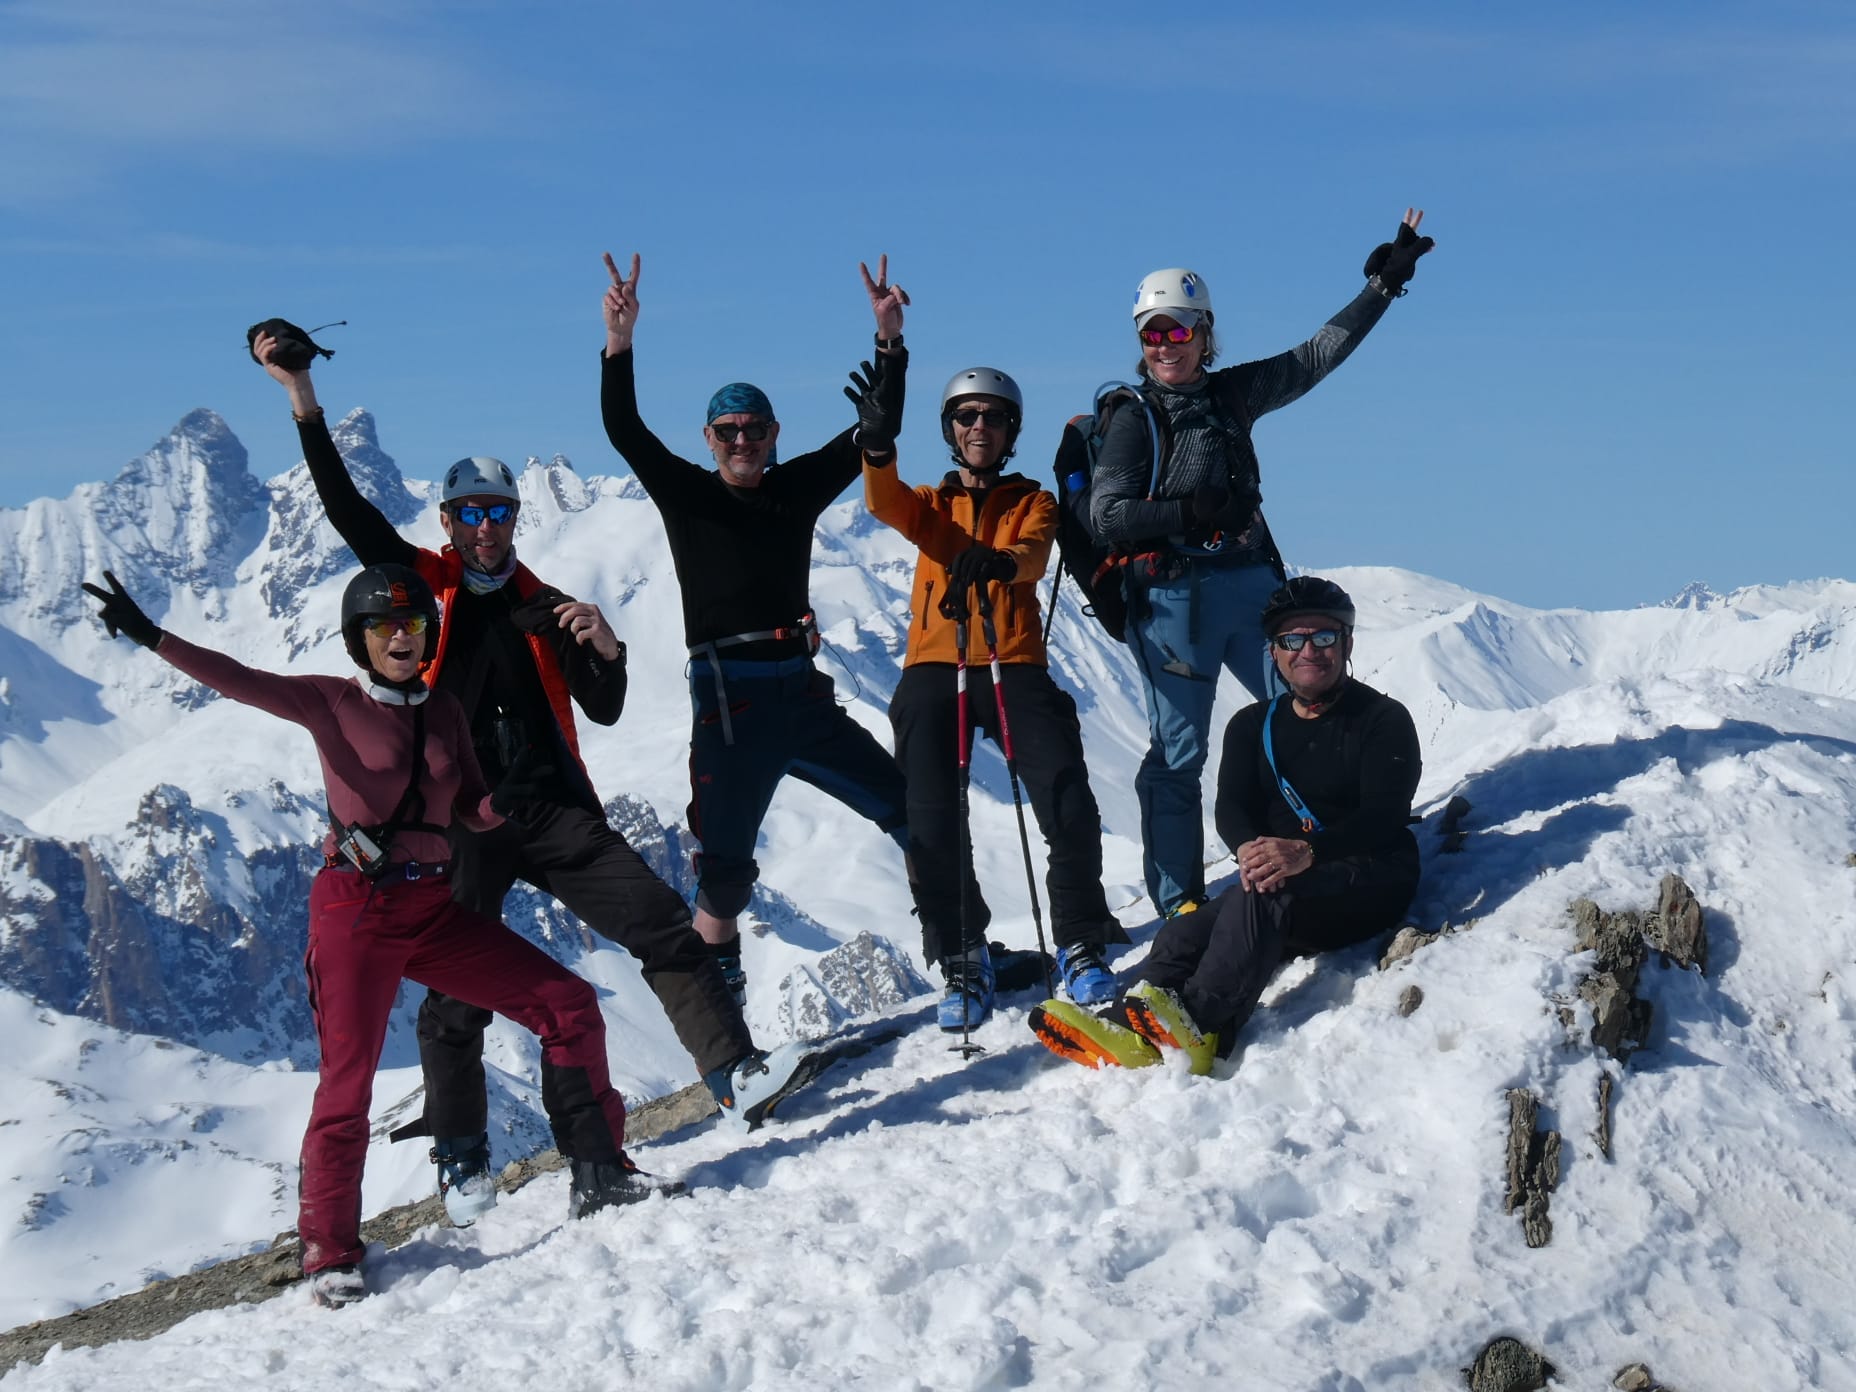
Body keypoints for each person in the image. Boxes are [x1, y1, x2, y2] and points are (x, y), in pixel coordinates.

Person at [248, 333, 807, 1226]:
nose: (485, 528)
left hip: (551, 810)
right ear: (446, 522)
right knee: (457, 990)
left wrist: (607, 648)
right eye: (469, 513)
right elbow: (349, 512)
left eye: (498, 513)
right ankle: (462, 1155)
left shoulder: (546, 605)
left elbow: (604, 706)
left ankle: (732, 1072)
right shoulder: (423, 590)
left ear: (516, 519)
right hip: (457, 823)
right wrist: (302, 397)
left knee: (661, 922)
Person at [83, 564, 674, 1308]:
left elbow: (466, 811)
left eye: (414, 624)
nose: (402, 637)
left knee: (568, 1005)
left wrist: (505, 800)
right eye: (384, 626)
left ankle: (599, 1171)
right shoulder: (332, 702)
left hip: (432, 906)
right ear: (357, 640)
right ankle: (329, 1253)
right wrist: (151, 636)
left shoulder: (445, 709)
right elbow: (239, 680)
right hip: (356, 910)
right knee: (348, 1081)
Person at [1088, 210, 1435, 922]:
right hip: (1174, 602)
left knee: (1309, 703)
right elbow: (1107, 516)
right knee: (1179, 753)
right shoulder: (1133, 418)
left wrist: (1380, 288)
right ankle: (1181, 907)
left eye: (1179, 330)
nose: (1165, 345)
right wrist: (1189, 513)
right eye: (1153, 333)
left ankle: (1337, 838)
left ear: (1205, 334)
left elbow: (1314, 358)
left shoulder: (1232, 395)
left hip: (1248, 587)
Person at [597, 252, 912, 999]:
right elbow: (624, 429)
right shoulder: (688, 495)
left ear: (774, 435)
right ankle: (723, 1025)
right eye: (728, 430)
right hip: (729, 703)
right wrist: (620, 341)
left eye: (754, 430)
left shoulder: (793, 489)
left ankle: (964, 952)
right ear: (708, 438)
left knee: (910, 808)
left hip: (800, 694)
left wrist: (890, 343)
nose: (742, 441)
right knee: (725, 873)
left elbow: (877, 429)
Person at [1030, 576, 1422, 1074]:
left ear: (1347, 644)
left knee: (1266, 896)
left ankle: (1202, 1024)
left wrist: (1307, 853)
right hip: (1288, 880)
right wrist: (1250, 849)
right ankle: (1126, 1028)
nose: (1309, 650)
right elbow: (1232, 808)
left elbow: (1385, 816)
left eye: (1324, 636)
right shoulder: (1253, 725)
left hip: (1371, 875)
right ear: (1273, 651)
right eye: (1292, 639)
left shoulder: (1382, 718)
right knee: (1184, 932)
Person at [864, 365, 1124, 1028]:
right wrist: (877, 446)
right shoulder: (929, 502)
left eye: (994, 417)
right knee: (931, 821)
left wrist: (1001, 564)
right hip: (935, 664)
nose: (980, 426)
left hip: (1014, 662)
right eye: (967, 415)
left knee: (1066, 801)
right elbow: (885, 502)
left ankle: (1079, 943)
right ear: (950, 428)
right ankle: (962, 956)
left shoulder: (1032, 501)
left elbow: (1034, 553)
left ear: (1011, 430)